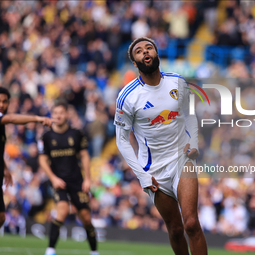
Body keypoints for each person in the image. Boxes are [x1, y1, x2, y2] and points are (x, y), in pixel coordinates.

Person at [114, 37, 207, 254]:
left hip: (181, 160)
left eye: (149, 48)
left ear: (157, 55)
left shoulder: (177, 82)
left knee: (191, 223)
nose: (145, 52)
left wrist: (194, 142)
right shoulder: (127, 96)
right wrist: (142, 176)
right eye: (139, 51)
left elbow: (190, 114)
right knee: (175, 229)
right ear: (135, 63)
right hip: (153, 170)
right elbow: (121, 139)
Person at [0, 87, 53, 255]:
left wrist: (6, 168)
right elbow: (11, 118)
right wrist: (37, 118)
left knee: (0, 217)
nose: (1, 104)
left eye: (4, 101)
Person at [38, 101, 98, 255]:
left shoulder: (77, 134)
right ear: (52, 115)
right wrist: (53, 178)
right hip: (59, 182)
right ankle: (50, 250)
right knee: (62, 211)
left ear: (67, 115)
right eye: (55, 113)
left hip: (77, 182)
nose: (58, 116)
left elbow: (84, 155)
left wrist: (87, 179)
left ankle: (94, 252)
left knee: (86, 218)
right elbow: (42, 160)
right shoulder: (46, 136)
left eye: (61, 112)